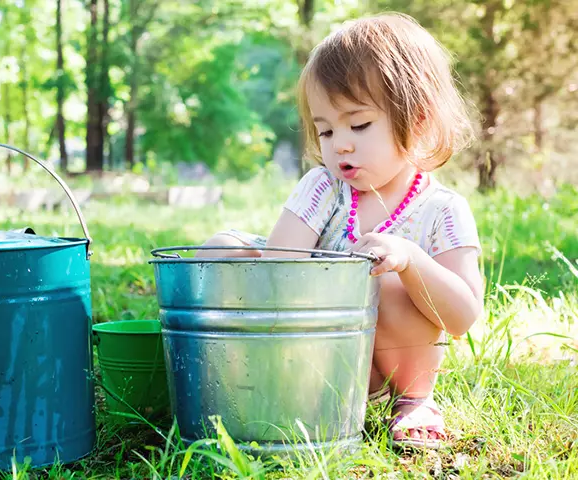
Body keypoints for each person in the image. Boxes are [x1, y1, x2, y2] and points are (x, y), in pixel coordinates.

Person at [196, 12, 484, 449]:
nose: (340, 144)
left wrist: (411, 260)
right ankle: (241, 379)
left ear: (419, 121)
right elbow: (280, 269)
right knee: (220, 250)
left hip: (389, 361)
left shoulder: (442, 210)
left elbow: (462, 317)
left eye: (359, 124)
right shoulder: (322, 189)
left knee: (384, 281)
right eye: (326, 130)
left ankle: (413, 401)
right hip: (319, 354)